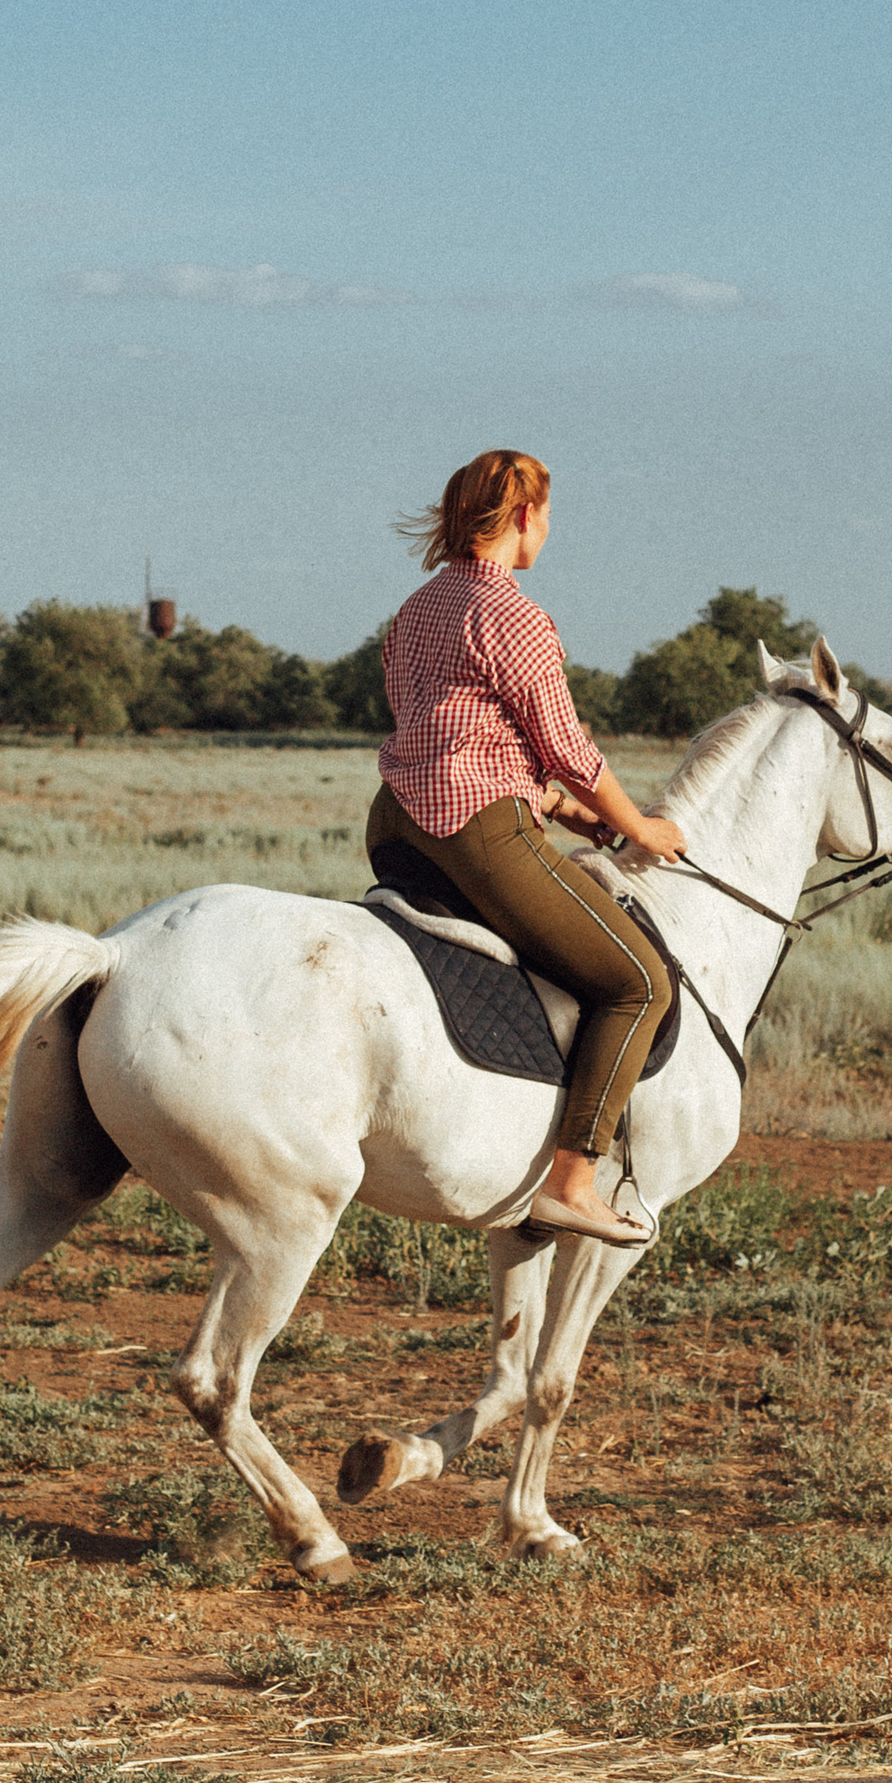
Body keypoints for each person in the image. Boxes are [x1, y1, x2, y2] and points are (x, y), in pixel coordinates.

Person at [369, 449, 687, 1246]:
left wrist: (555, 806)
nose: (546, 529)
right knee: (639, 981)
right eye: (544, 515)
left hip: (396, 820)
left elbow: (449, 729)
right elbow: (569, 745)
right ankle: (573, 1181)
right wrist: (638, 826)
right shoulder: (514, 615)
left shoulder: (414, 609)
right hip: (474, 827)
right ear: (520, 517)